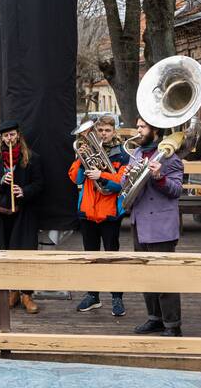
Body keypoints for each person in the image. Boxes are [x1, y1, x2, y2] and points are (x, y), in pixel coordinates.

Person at [128, 118, 185, 337]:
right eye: (138, 127)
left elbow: (176, 190)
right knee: (146, 276)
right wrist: (126, 180)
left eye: (142, 127)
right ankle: (154, 319)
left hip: (160, 225)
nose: (138, 131)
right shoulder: (135, 154)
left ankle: (173, 324)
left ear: (155, 130)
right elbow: (131, 189)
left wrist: (159, 177)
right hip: (139, 222)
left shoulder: (171, 158)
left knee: (165, 277)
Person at [0, 120, 44, 315]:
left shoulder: (32, 158)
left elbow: (40, 184)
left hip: (23, 214)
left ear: (18, 135)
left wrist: (24, 191)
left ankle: (26, 294)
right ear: (1, 137)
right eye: (6, 135)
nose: (10, 138)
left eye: (12, 135)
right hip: (0, 214)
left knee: (24, 254)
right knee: (4, 252)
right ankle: (11, 291)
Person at [69, 115, 129, 317]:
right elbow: (74, 178)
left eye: (107, 130)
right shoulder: (87, 151)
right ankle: (93, 295)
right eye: (100, 130)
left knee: (112, 256)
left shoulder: (121, 156)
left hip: (109, 212)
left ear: (114, 132)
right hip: (88, 210)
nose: (103, 134)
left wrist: (100, 175)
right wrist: (81, 158)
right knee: (91, 256)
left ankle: (117, 297)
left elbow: (121, 182)